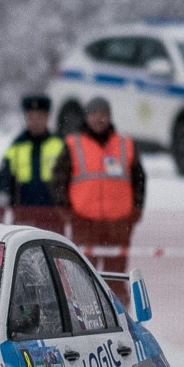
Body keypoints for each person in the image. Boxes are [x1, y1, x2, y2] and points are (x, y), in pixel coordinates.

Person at [53, 96, 146, 282]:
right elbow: (58, 180)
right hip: (84, 224)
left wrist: (135, 212)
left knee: (117, 280)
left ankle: (118, 311)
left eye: (103, 114)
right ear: (86, 117)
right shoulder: (73, 144)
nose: (98, 118)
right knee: (83, 280)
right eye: (94, 113)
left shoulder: (125, 144)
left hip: (119, 225)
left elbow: (139, 180)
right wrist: (68, 212)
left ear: (110, 117)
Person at [0, 94, 66, 232]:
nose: (35, 121)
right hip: (23, 216)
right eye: (31, 117)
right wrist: (2, 201)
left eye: (39, 117)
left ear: (47, 117)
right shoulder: (16, 146)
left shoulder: (59, 144)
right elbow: (5, 177)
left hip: (54, 216)